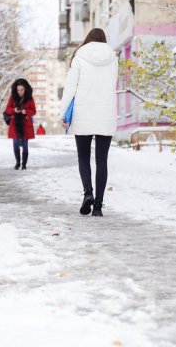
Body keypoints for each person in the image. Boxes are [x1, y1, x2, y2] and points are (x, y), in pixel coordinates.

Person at [59, 28, 118, 217]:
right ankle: (98, 206)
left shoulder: (79, 57)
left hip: (83, 112)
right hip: (105, 113)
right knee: (102, 160)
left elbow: (70, 87)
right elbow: (112, 84)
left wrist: (63, 112)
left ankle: (88, 193)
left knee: (83, 157)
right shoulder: (113, 58)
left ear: (88, 39)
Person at [5, 78, 36, 170]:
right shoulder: (12, 97)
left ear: (25, 89)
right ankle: (18, 163)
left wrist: (25, 111)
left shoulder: (30, 98)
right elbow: (7, 109)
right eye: (18, 90)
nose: (20, 92)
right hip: (14, 124)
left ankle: (24, 165)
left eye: (22, 90)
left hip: (25, 124)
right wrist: (14, 110)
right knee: (15, 143)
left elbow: (33, 111)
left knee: (25, 144)